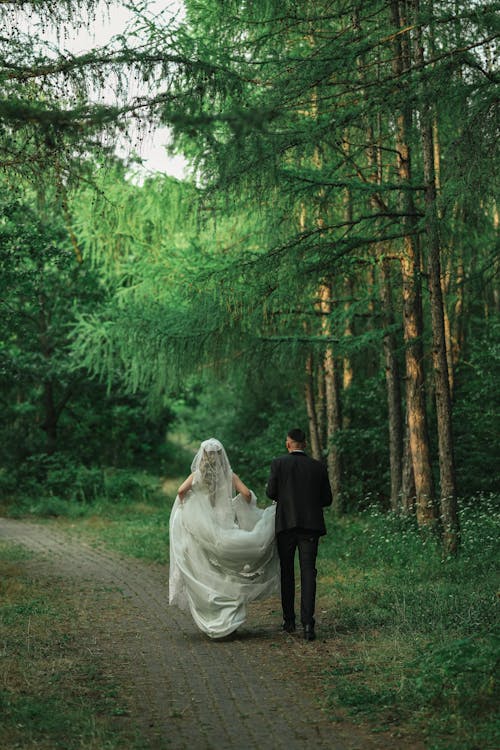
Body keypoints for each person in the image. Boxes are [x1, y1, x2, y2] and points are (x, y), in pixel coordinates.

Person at [169, 438, 279, 638]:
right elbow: (246, 494)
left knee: (209, 574)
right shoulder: (229, 475)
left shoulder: (197, 476)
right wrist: (241, 504)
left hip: (204, 534)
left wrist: (189, 505)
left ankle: (215, 619)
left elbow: (180, 491)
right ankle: (230, 619)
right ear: (222, 456)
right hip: (225, 529)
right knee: (227, 573)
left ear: (202, 457)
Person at [266, 428, 332, 641]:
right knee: (308, 573)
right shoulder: (318, 467)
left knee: (287, 572)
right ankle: (308, 625)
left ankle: (289, 621)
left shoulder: (278, 464)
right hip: (310, 527)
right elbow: (327, 499)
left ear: (288, 444)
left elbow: (270, 493)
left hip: (286, 525)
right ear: (304, 444)